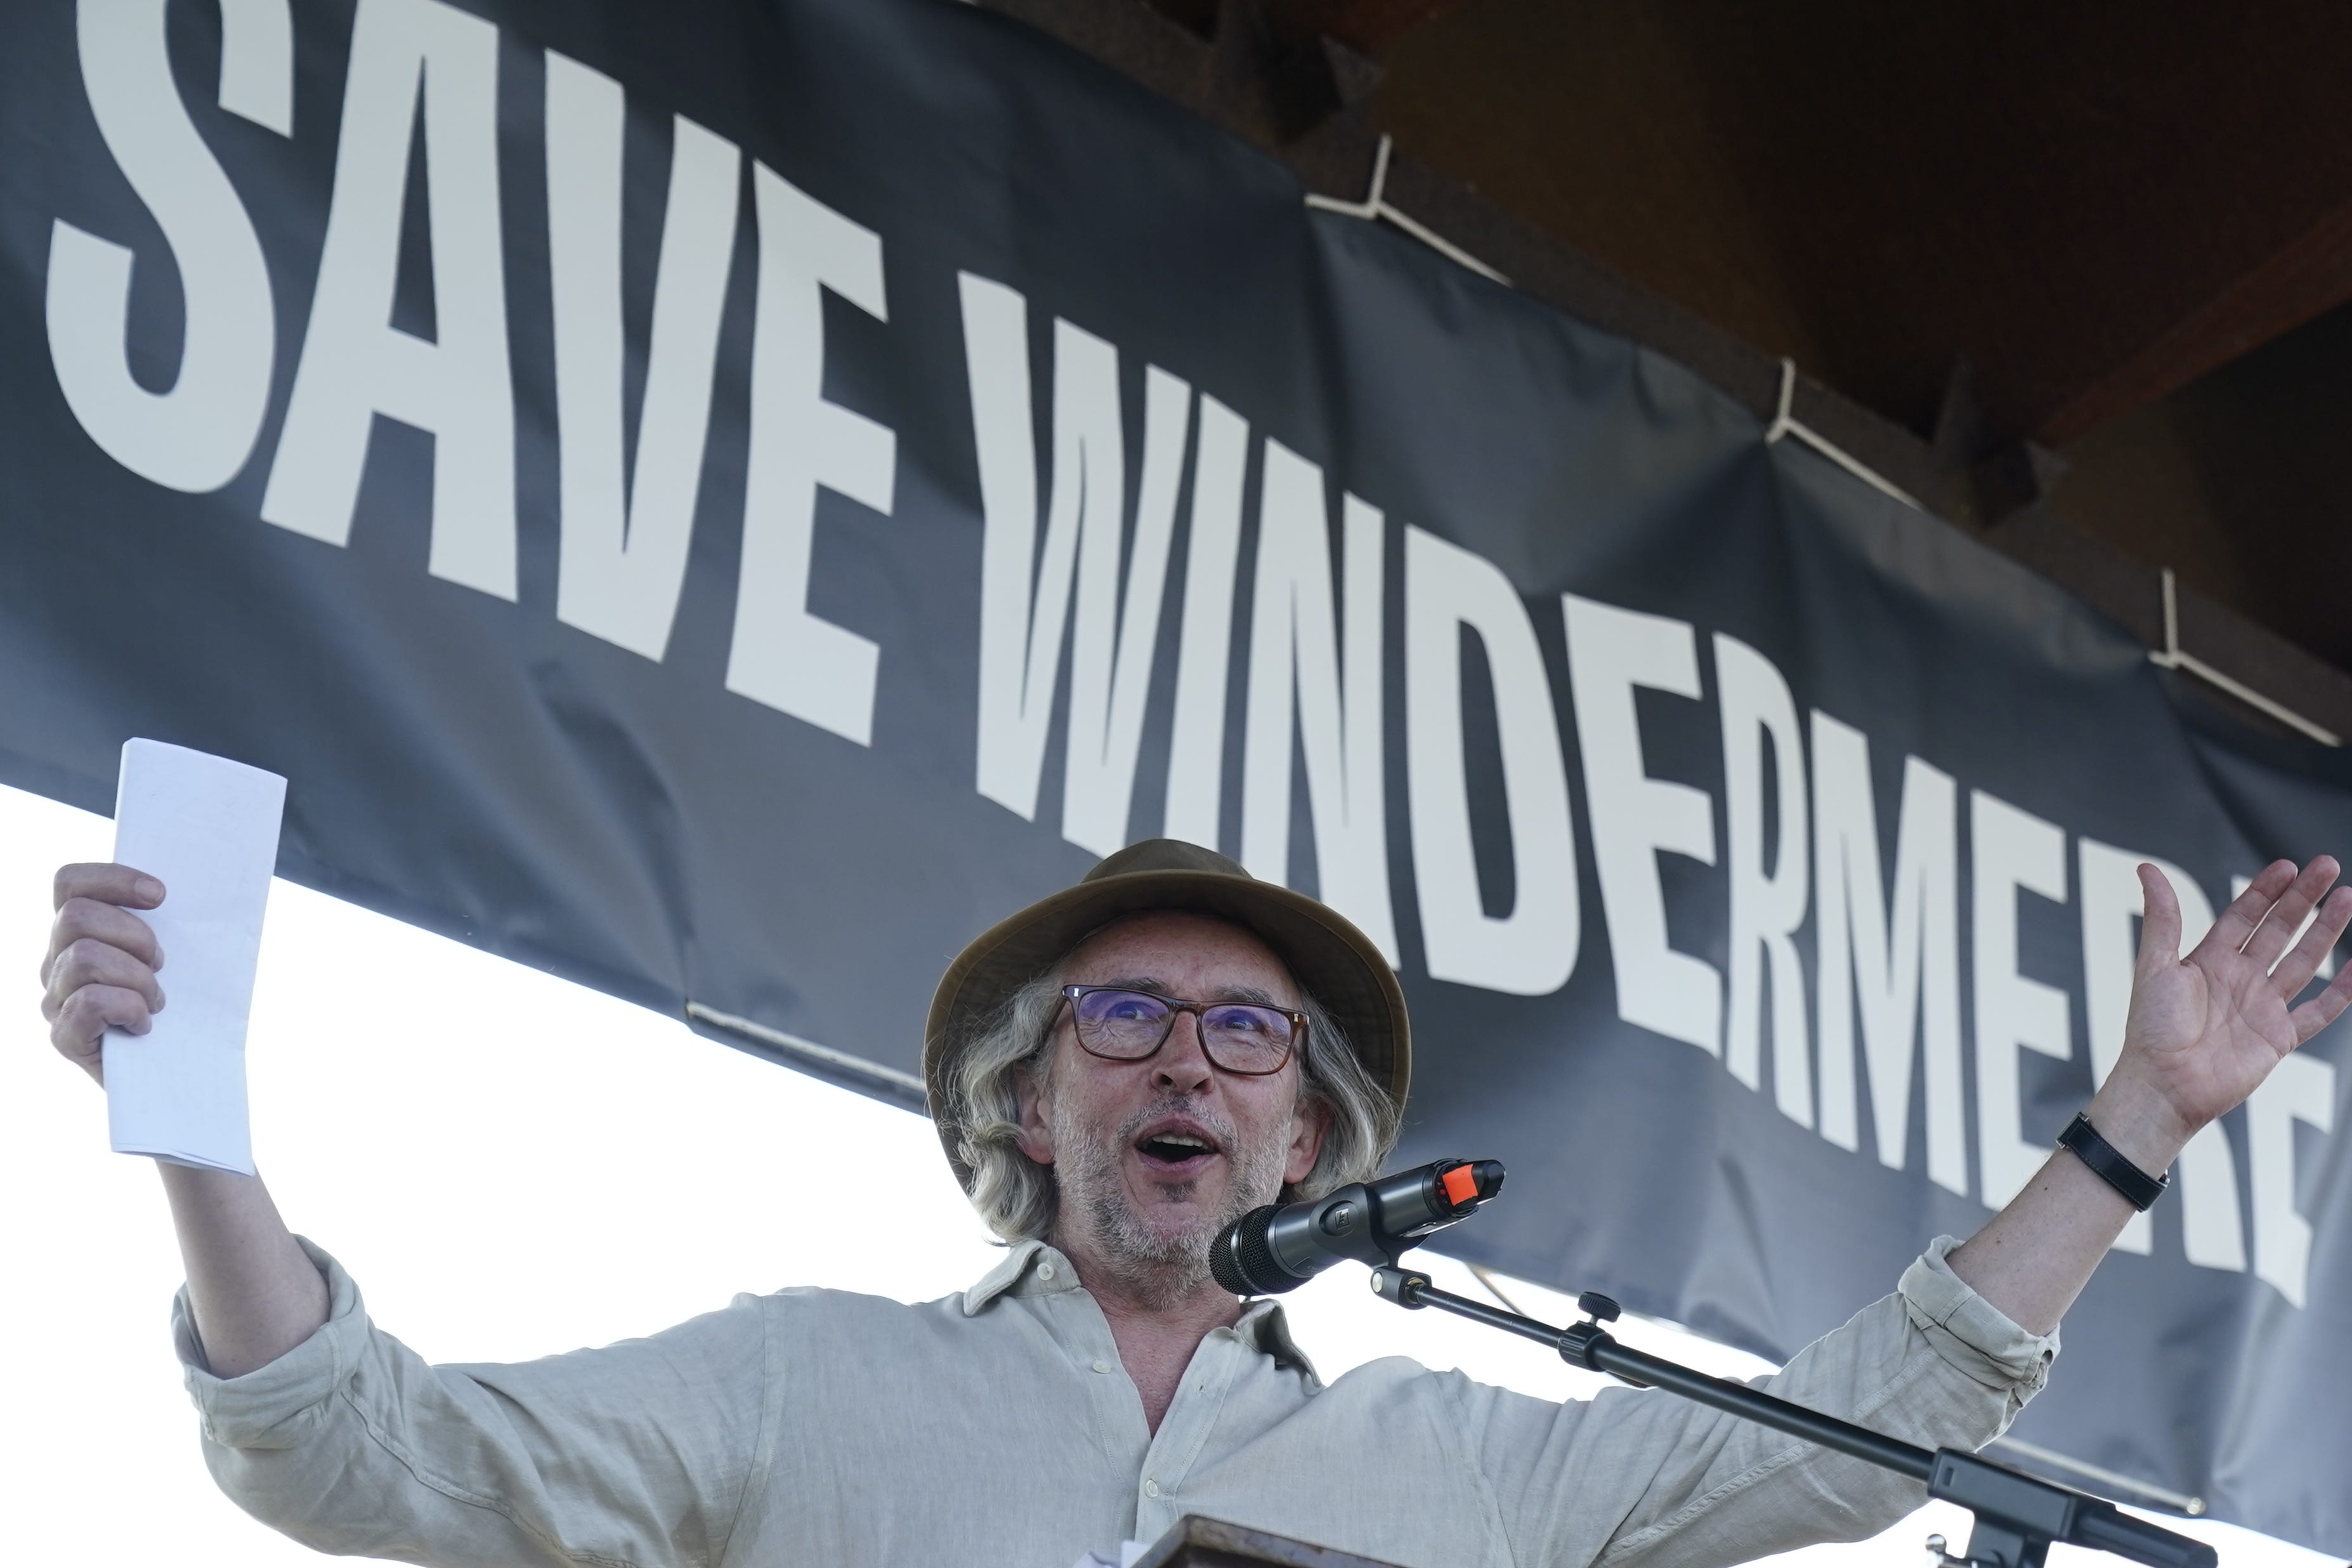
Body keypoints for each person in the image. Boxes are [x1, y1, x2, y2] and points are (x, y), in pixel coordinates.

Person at [40, 837, 2352, 1567]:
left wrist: (2133, 1129)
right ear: (1023, 1113)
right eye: (1117, 1022)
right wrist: (190, 1105)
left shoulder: (1471, 1460)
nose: (1180, 1059)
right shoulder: (796, 1380)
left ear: (1312, 1146)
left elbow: (1843, 1429)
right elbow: (354, 1454)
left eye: (1245, 1036)